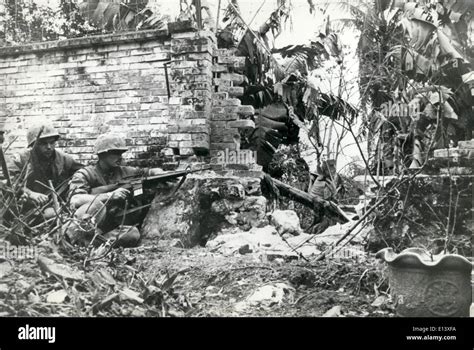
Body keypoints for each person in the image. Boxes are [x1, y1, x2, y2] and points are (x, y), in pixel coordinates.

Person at [68, 133, 164, 247]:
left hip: (110, 227)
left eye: (121, 153)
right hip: (88, 222)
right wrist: (109, 196)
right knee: (96, 205)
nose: (120, 157)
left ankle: (88, 243)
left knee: (133, 234)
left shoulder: (126, 172)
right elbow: (75, 199)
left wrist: (160, 173)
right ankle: (72, 238)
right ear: (102, 154)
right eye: (115, 153)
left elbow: (147, 172)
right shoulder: (85, 174)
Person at [9, 122, 84, 222]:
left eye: (52, 142)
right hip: (25, 208)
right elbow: (9, 181)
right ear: (33, 144)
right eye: (43, 143)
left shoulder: (63, 159)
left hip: (54, 206)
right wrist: (30, 193)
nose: (49, 147)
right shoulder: (21, 159)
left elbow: (83, 172)